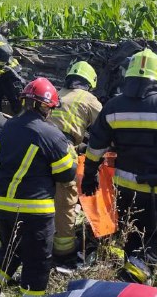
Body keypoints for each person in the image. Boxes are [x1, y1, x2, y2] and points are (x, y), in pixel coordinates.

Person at [81, 49, 157, 284]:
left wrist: (90, 174)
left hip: (124, 186)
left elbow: (96, 146)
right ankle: (138, 272)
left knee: (132, 234)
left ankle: (130, 273)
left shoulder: (113, 106)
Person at [0, 78, 77, 297]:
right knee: (38, 262)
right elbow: (66, 174)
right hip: (33, 210)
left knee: (11, 252)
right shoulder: (51, 134)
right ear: (45, 106)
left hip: (1, 207)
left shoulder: (8, 127)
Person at [47, 61, 102, 261]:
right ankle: (64, 247)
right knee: (65, 197)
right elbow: (103, 129)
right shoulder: (89, 99)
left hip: (37, 145)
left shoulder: (55, 93)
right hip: (61, 149)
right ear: (90, 83)